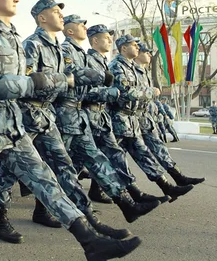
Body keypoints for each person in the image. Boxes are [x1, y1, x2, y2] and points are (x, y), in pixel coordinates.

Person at [0, 0, 141, 261]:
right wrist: (35, 82)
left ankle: (91, 242)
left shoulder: (12, 35)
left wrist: (66, 80)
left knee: (45, 179)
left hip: (13, 124)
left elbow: (29, 80)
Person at [0, 0, 132, 245]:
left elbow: (72, 76)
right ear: (41, 17)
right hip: (27, 115)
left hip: (48, 115)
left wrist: (96, 76)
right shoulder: (32, 45)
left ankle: (88, 217)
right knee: (9, 171)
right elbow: (30, 82)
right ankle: (0, 218)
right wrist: (61, 81)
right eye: (55, 12)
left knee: (65, 166)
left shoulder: (57, 47)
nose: (61, 16)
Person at [56, 15, 162, 221]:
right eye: (81, 25)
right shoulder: (67, 51)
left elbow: (86, 89)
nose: (84, 28)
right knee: (61, 165)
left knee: (93, 159)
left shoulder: (85, 55)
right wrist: (110, 92)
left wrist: (108, 92)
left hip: (83, 117)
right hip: (68, 115)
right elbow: (74, 84)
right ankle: (43, 209)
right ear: (70, 30)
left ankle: (128, 202)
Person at [85, 25, 166, 204]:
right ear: (95, 40)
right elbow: (88, 91)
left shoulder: (104, 62)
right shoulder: (90, 60)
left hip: (103, 117)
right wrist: (114, 93)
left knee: (110, 156)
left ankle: (133, 196)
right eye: (106, 37)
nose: (110, 40)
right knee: (77, 161)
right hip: (91, 117)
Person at [108, 35, 194, 201]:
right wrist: (150, 92)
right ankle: (132, 196)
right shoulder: (117, 66)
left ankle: (167, 186)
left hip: (132, 120)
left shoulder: (131, 67)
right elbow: (125, 92)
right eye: (134, 45)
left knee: (142, 154)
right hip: (118, 119)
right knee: (111, 159)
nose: (138, 48)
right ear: (124, 48)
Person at [134, 44, 205, 186]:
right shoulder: (129, 69)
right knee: (113, 154)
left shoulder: (144, 71)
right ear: (137, 54)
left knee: (158, 146)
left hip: (144, 118)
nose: (149, 54)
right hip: (129, 118)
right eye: (146, 52)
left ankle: (178, 176)